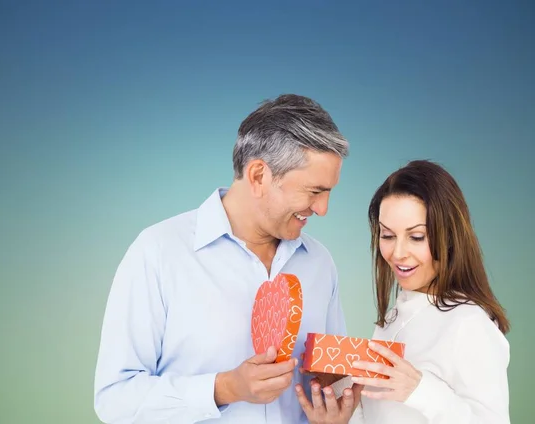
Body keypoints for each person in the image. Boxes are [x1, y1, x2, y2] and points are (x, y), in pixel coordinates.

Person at [93, 94, 357, 423]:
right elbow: (114, 400)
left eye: (329, 192)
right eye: (314, 192)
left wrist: (339, 406)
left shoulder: (319, 262)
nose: (322, 209)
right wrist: (224, 388)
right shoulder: (158, 252)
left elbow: (333, 380)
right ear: (259, 175)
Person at [296, 160, 511, 423]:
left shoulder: (469, 324)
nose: (398, 254)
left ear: (450, 236)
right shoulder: (394, 319)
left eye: (417, 237)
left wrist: (418, 389)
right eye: (387, 235)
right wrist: (341, 393)